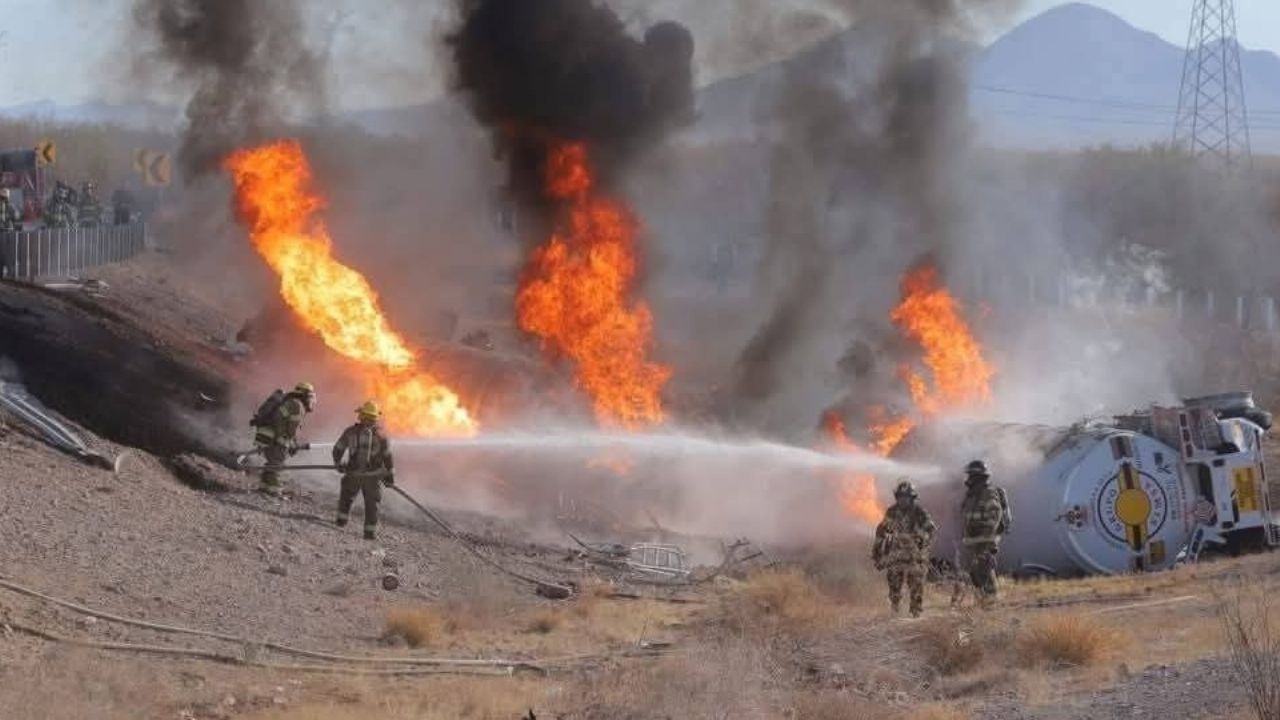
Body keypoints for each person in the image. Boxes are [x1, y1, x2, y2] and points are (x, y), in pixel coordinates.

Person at [332, 401, 396, 540]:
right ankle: (369, 533)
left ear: (361, 415)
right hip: (373, 478)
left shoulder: (350, 431)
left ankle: (341, 521)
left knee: (346, 497)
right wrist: (390, 478)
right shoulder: (382, 436)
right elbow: (388, 458)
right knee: (372, 505)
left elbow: (337, 449)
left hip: (353, 474)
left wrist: (338, 464)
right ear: (375, 417)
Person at [873, 480, 937, 617]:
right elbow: (881, 531)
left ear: (912, 498)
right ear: (897, 497)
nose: (903, 500)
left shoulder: (919, 511)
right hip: (896, 554)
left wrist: (922, 541)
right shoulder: (892, 512)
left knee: (916, 583)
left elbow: (930, 529)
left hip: (915, 555)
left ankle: (915, 612)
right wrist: (877, 553)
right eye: (901, 497)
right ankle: (895, 610)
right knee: (894, 583)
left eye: (906, 497)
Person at [953, 460, 1012, 608]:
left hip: (984, 541)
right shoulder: (972, 495)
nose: (968, 479)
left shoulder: (988, 493)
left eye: (971, 475)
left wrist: (986, 541)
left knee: (984, 570)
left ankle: (990, 603)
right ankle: (983, 602)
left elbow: (994, 516)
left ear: (979, 477)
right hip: (974, 542)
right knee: (976, 574)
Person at [251, 382, 317, 496]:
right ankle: (274, 491)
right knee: (277, 465)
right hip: (277, 440)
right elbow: (292, 429)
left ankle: (264, 487)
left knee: (272, 463)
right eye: (311, 396)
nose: (312, 400)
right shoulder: (298, 406)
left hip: (268, 436)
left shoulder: (290, 401)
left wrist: (292, 442)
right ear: (305, 395)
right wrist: (292, 443)